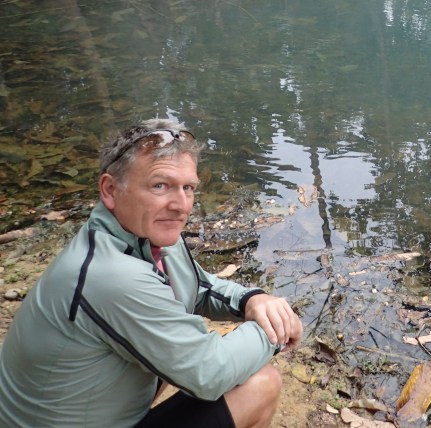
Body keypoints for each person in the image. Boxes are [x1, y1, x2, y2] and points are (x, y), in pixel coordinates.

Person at [0, 118, 303, 427]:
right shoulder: (110, 275)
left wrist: (252, 300)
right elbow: (209, 373)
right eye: (160, 185)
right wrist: (276, 330)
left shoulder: (143, 234)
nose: (181, 206)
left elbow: (198, 287)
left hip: (96, 405)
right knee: (261, 385)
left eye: (188, 188)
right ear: (110, 190)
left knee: (183, 340)